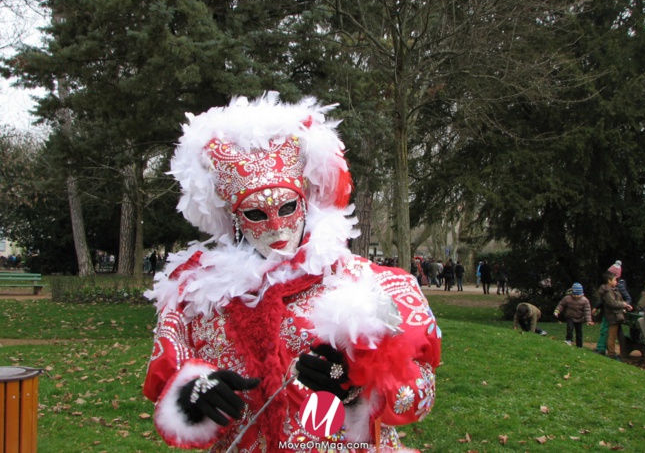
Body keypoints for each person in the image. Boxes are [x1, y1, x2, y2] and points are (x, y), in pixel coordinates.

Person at [142, 94, 441, 451]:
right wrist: (193, 396)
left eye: (287, 208)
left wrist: (359, 385)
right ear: (236, 219)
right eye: (256, 214)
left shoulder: (368, 282)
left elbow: (420, 392)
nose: (277, 227)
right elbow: (168, 384)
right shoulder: (197, 299)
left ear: (305, 203)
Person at [597, 271, 633, 361]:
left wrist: (624, 305)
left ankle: (619, 353)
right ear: (609, 281)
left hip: (617, 316)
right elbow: (613, 303)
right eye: (614, 280)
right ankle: (611, 354)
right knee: (612, 335)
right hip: (613, 316)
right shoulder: (608, 292)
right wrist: (624, 304)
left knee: (618, 335)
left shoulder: (612, 290)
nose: (616, 282)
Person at [553, 283, 594, 347]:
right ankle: (569, 340)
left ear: (581, 293)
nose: (577, 296)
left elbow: (587, 311)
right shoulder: (567, 298)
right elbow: (561, 305)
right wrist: (557, 311)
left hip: (579, 318)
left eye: (578, 294)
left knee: (579, 332)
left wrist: (588, 320)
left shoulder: (585, 301)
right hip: (570, 317)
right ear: (572, 293)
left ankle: (579, 345)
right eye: (575, 294)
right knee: (570, 328)